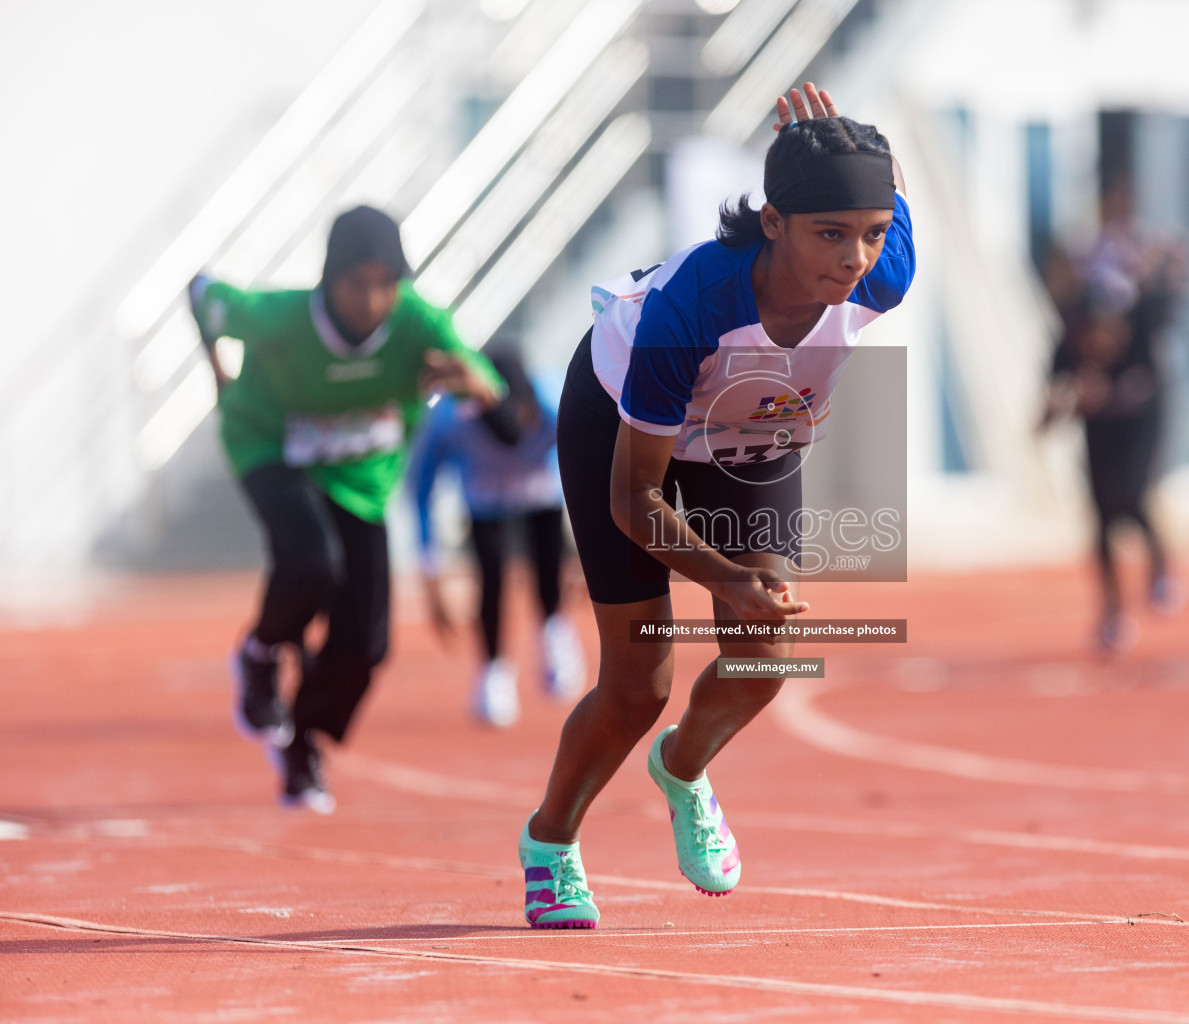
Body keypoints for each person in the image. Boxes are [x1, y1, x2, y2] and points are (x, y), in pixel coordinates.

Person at [516, 83, 914, 929]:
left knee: (766, 652)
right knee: (638, 682)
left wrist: (844, 151)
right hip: (630, 438)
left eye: (871, 234)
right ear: (773, 222)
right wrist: (725, 576)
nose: (854, 259)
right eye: (829, 234)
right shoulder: (688, 311)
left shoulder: (884, 274)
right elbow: (635, 498)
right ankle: (550, 843)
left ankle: (684, 768)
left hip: (753, 422)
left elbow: (892, 192)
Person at [188, 205, 503, 812]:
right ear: (329, 280)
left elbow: (482, 372)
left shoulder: (418, 321)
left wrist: (474, 380)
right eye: (357, 283)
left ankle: (301, 741)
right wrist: (218, 373)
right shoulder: (276, 317)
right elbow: (200, 294)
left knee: (367, 645)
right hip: (271, 449)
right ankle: (258, 655)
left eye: (387, 283)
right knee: (310, 564)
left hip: (360, 478)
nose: (373, 298)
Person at [1038, 177, 1189, 654]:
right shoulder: (1069, 334)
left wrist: (1106, 395)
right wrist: (1052, 413)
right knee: (1103, 516)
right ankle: (1111, 613)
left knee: (1132, 496)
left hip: (1142, 419)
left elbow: (1151, 379)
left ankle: (1161, 564)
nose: (1098, 341)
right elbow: (1054, 390)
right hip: (1099, 425)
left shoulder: (1141, 327)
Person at [409, 346, 587, 728]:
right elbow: (420, 487)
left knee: (548, 567)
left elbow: (597, 465)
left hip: (543, 494)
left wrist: (600, 546)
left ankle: (555, 635)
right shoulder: (448, 417)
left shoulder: (560, 402)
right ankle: (493, 672)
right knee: (490, 579)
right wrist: (430, 567)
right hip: (484, 501)